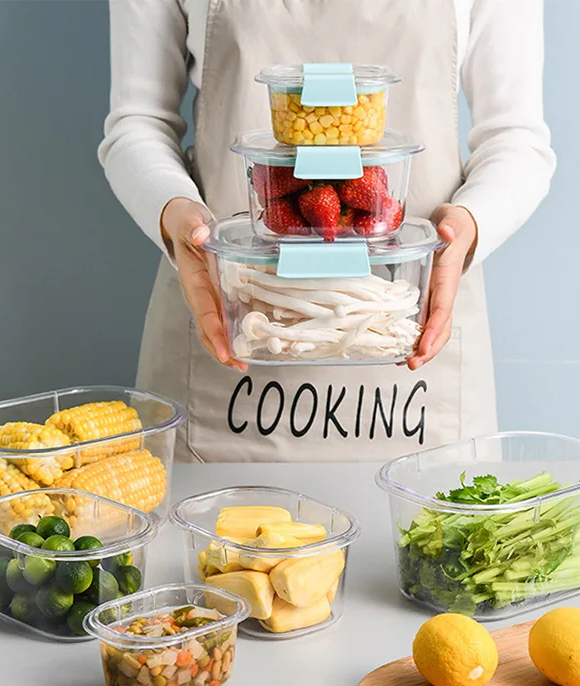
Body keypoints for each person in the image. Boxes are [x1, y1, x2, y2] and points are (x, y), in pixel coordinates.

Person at [98, 0, 556, 463]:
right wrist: (173, 211)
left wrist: (471, 224)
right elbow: (139, 122)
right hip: (230, 331)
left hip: (411, 350)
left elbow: (516, 138)